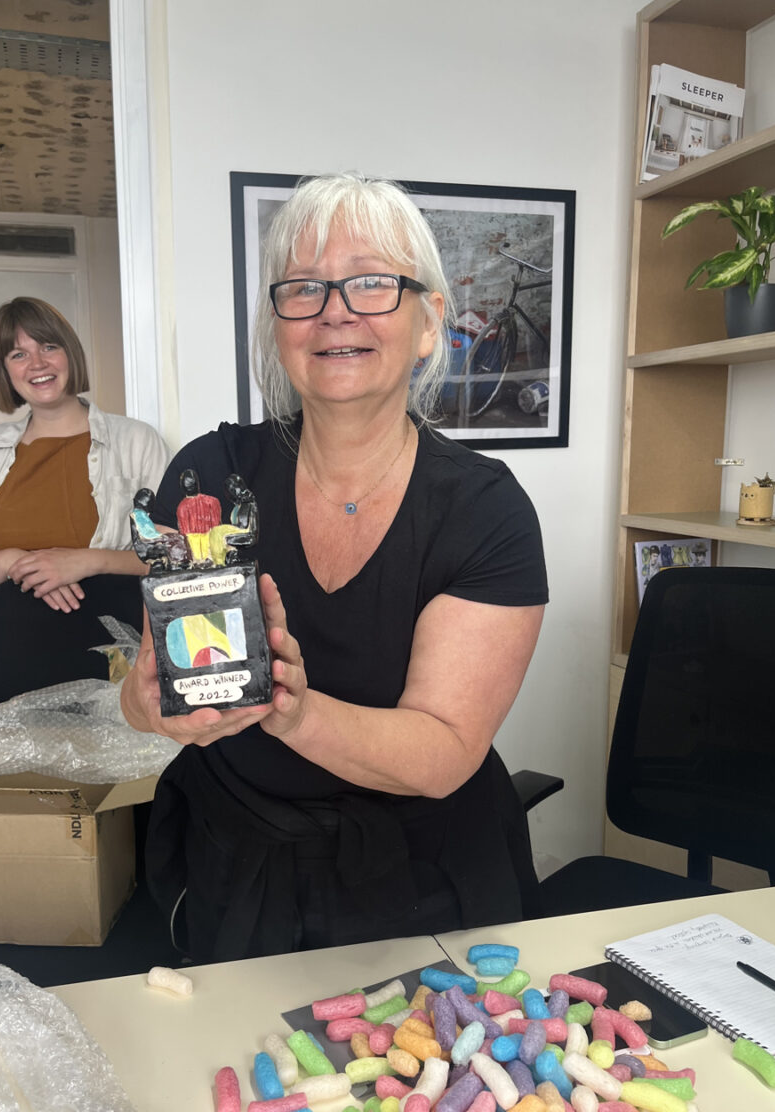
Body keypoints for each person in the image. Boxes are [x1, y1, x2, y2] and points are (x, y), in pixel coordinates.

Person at [121, 173, 548, 963]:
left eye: (372, 283)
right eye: (305, 289)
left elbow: (442, 753)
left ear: (429, 325)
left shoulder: (485, 511)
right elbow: (150, 685)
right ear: (280, 326)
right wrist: (147, 700)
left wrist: (291, 709)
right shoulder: (211, 473)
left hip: (426, 881)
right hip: (238, 870)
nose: (335, 310)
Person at [0, 297, 169, 692]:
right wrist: (13, 563)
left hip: (114, 669)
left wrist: (86, 561)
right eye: (18, 353)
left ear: (69, 353)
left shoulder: (137, 443)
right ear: (5, 371)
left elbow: (174, 556)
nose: (37, 363)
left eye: (48, 346)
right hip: (1, 664)